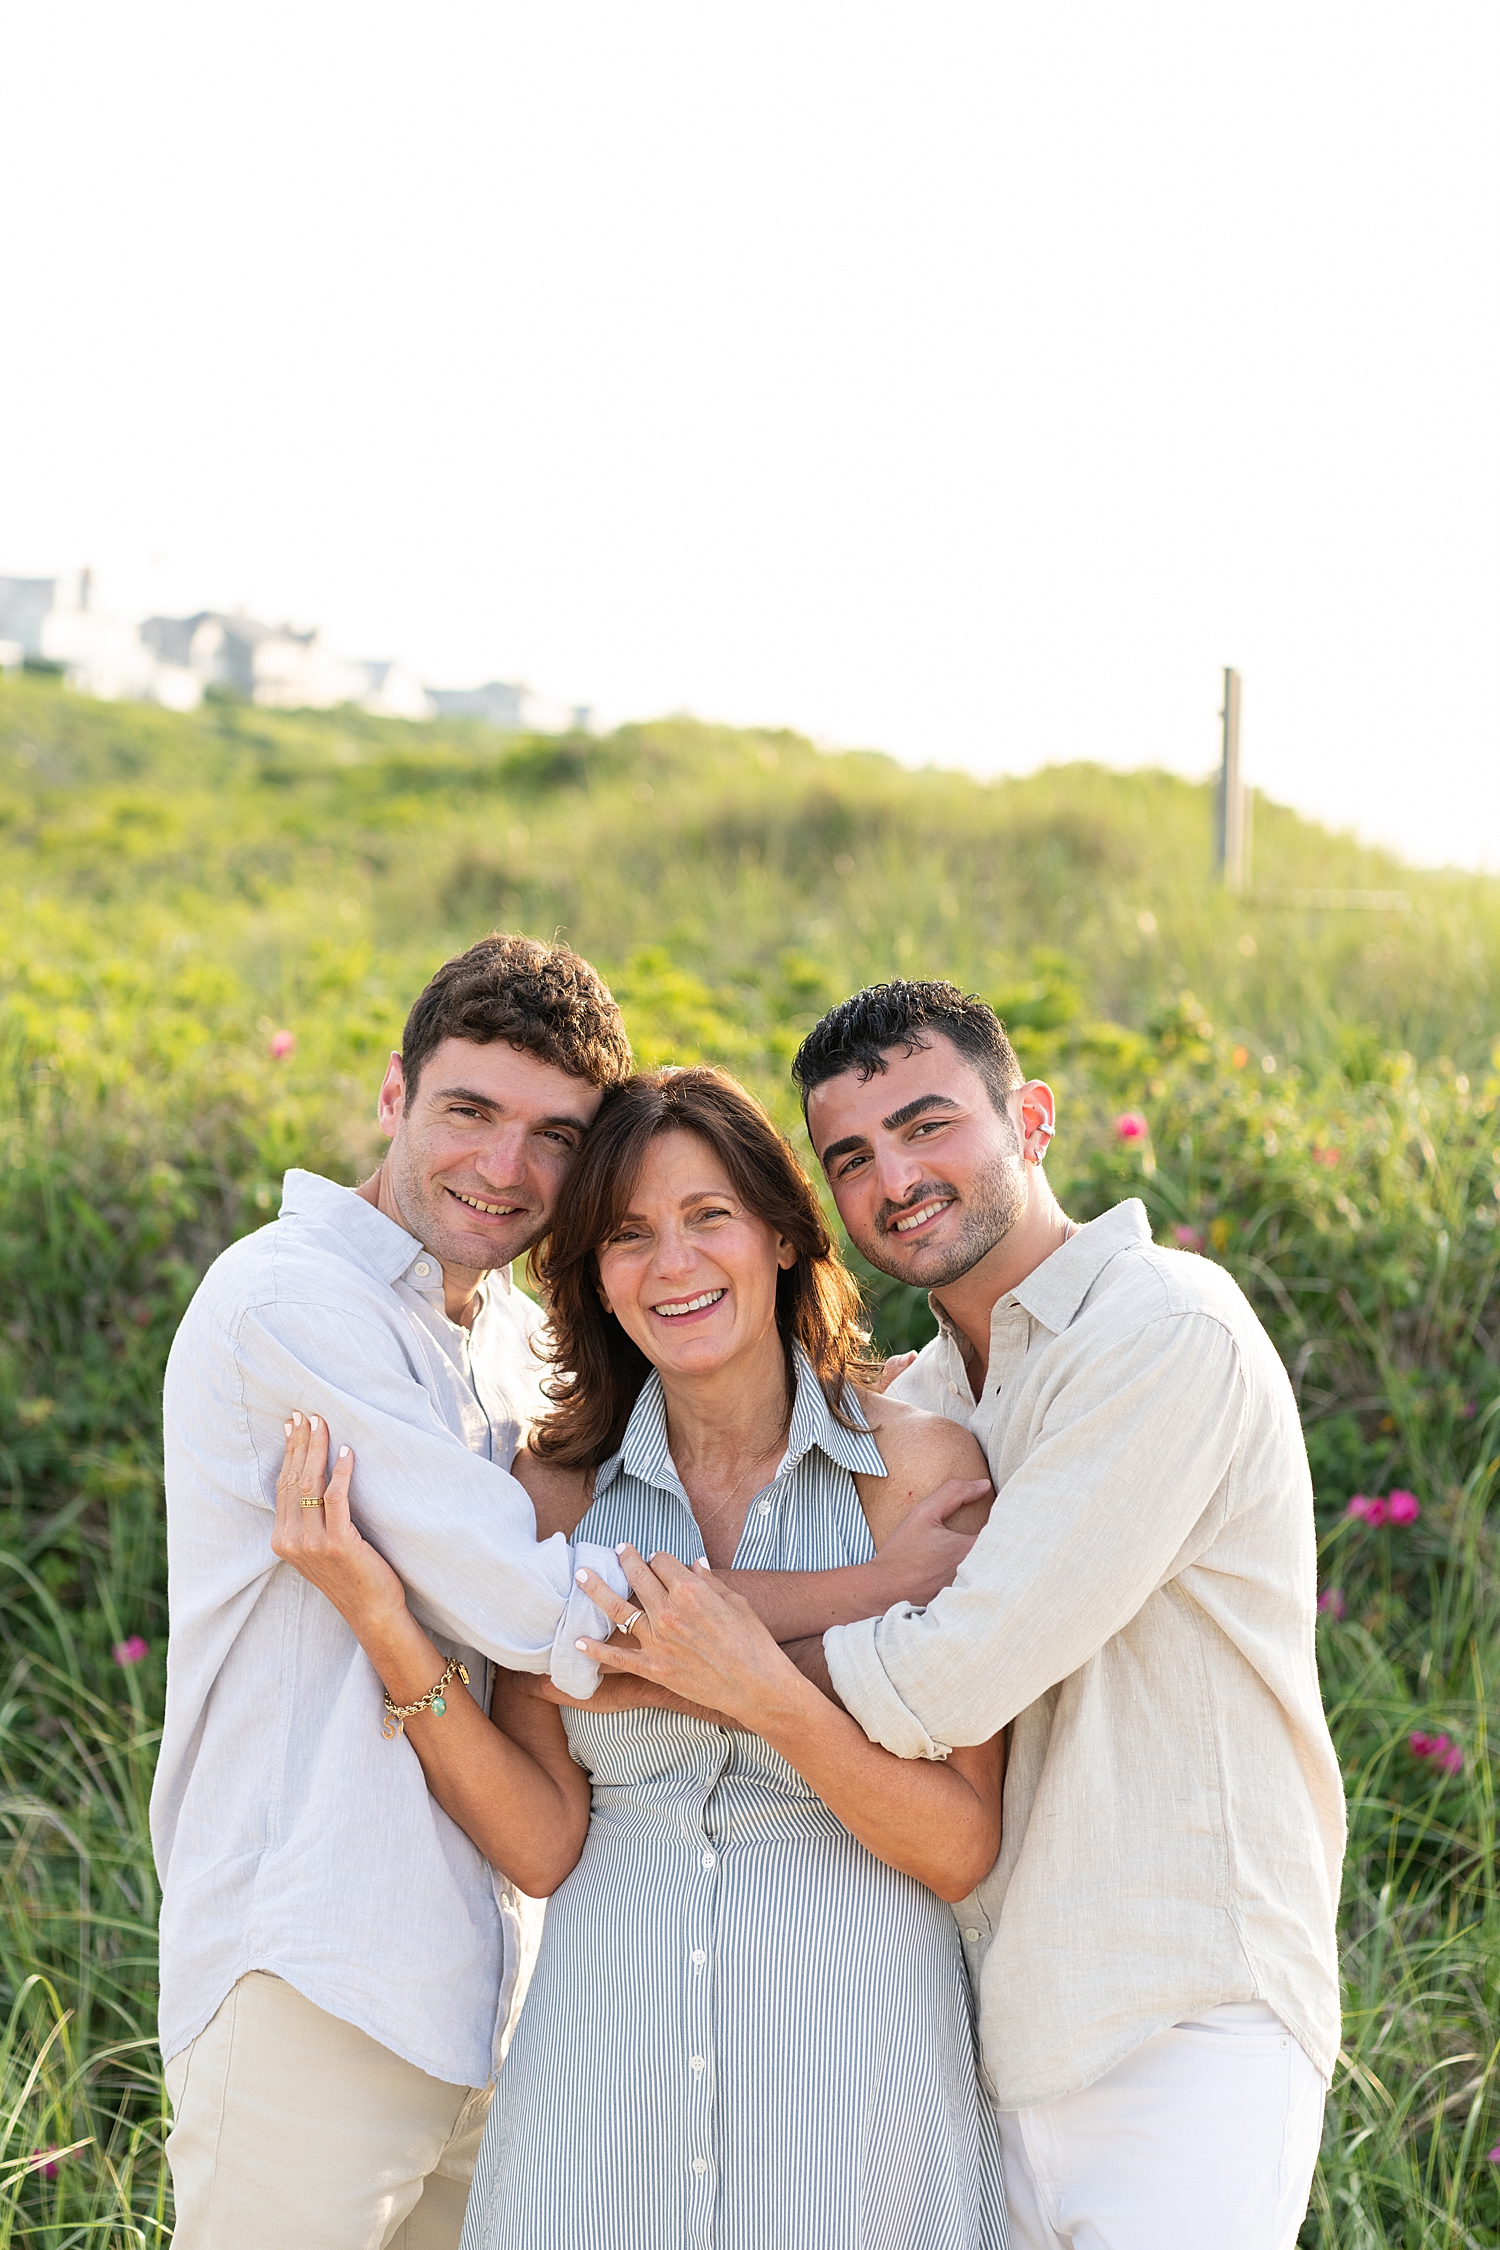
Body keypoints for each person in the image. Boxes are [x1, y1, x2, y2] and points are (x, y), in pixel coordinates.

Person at [158, 938, 984, 2250]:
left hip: (503, 1998)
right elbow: (542, 1607)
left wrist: (391, 1618)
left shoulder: (507, 1342)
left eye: (554, 1135)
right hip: (316, 1965)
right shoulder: (289, 1299)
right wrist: (886, 1590)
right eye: (469, 1111)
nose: (504, 1167)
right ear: (393, 1093)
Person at [782, 979, 1344, 2250]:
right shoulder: (921, 1405)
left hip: (1180, 2013)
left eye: (931, 1126)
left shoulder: (1165, 1330)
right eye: (854, 1157)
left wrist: (713, 1655)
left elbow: (950, 1683)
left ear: (1031, 1118)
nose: (896, 1178)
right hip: (985, 2040)